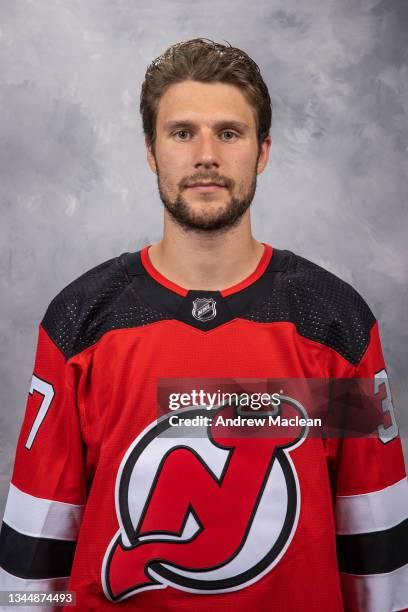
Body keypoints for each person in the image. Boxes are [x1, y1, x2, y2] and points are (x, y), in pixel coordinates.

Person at [0, 38, 407, 612]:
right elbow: (33, 556)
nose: (206, 156)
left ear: (262, 152)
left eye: (230, 133)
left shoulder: (335, 322)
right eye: (183, 132)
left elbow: (378, 550)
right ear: (151, 150)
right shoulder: (81, 321)